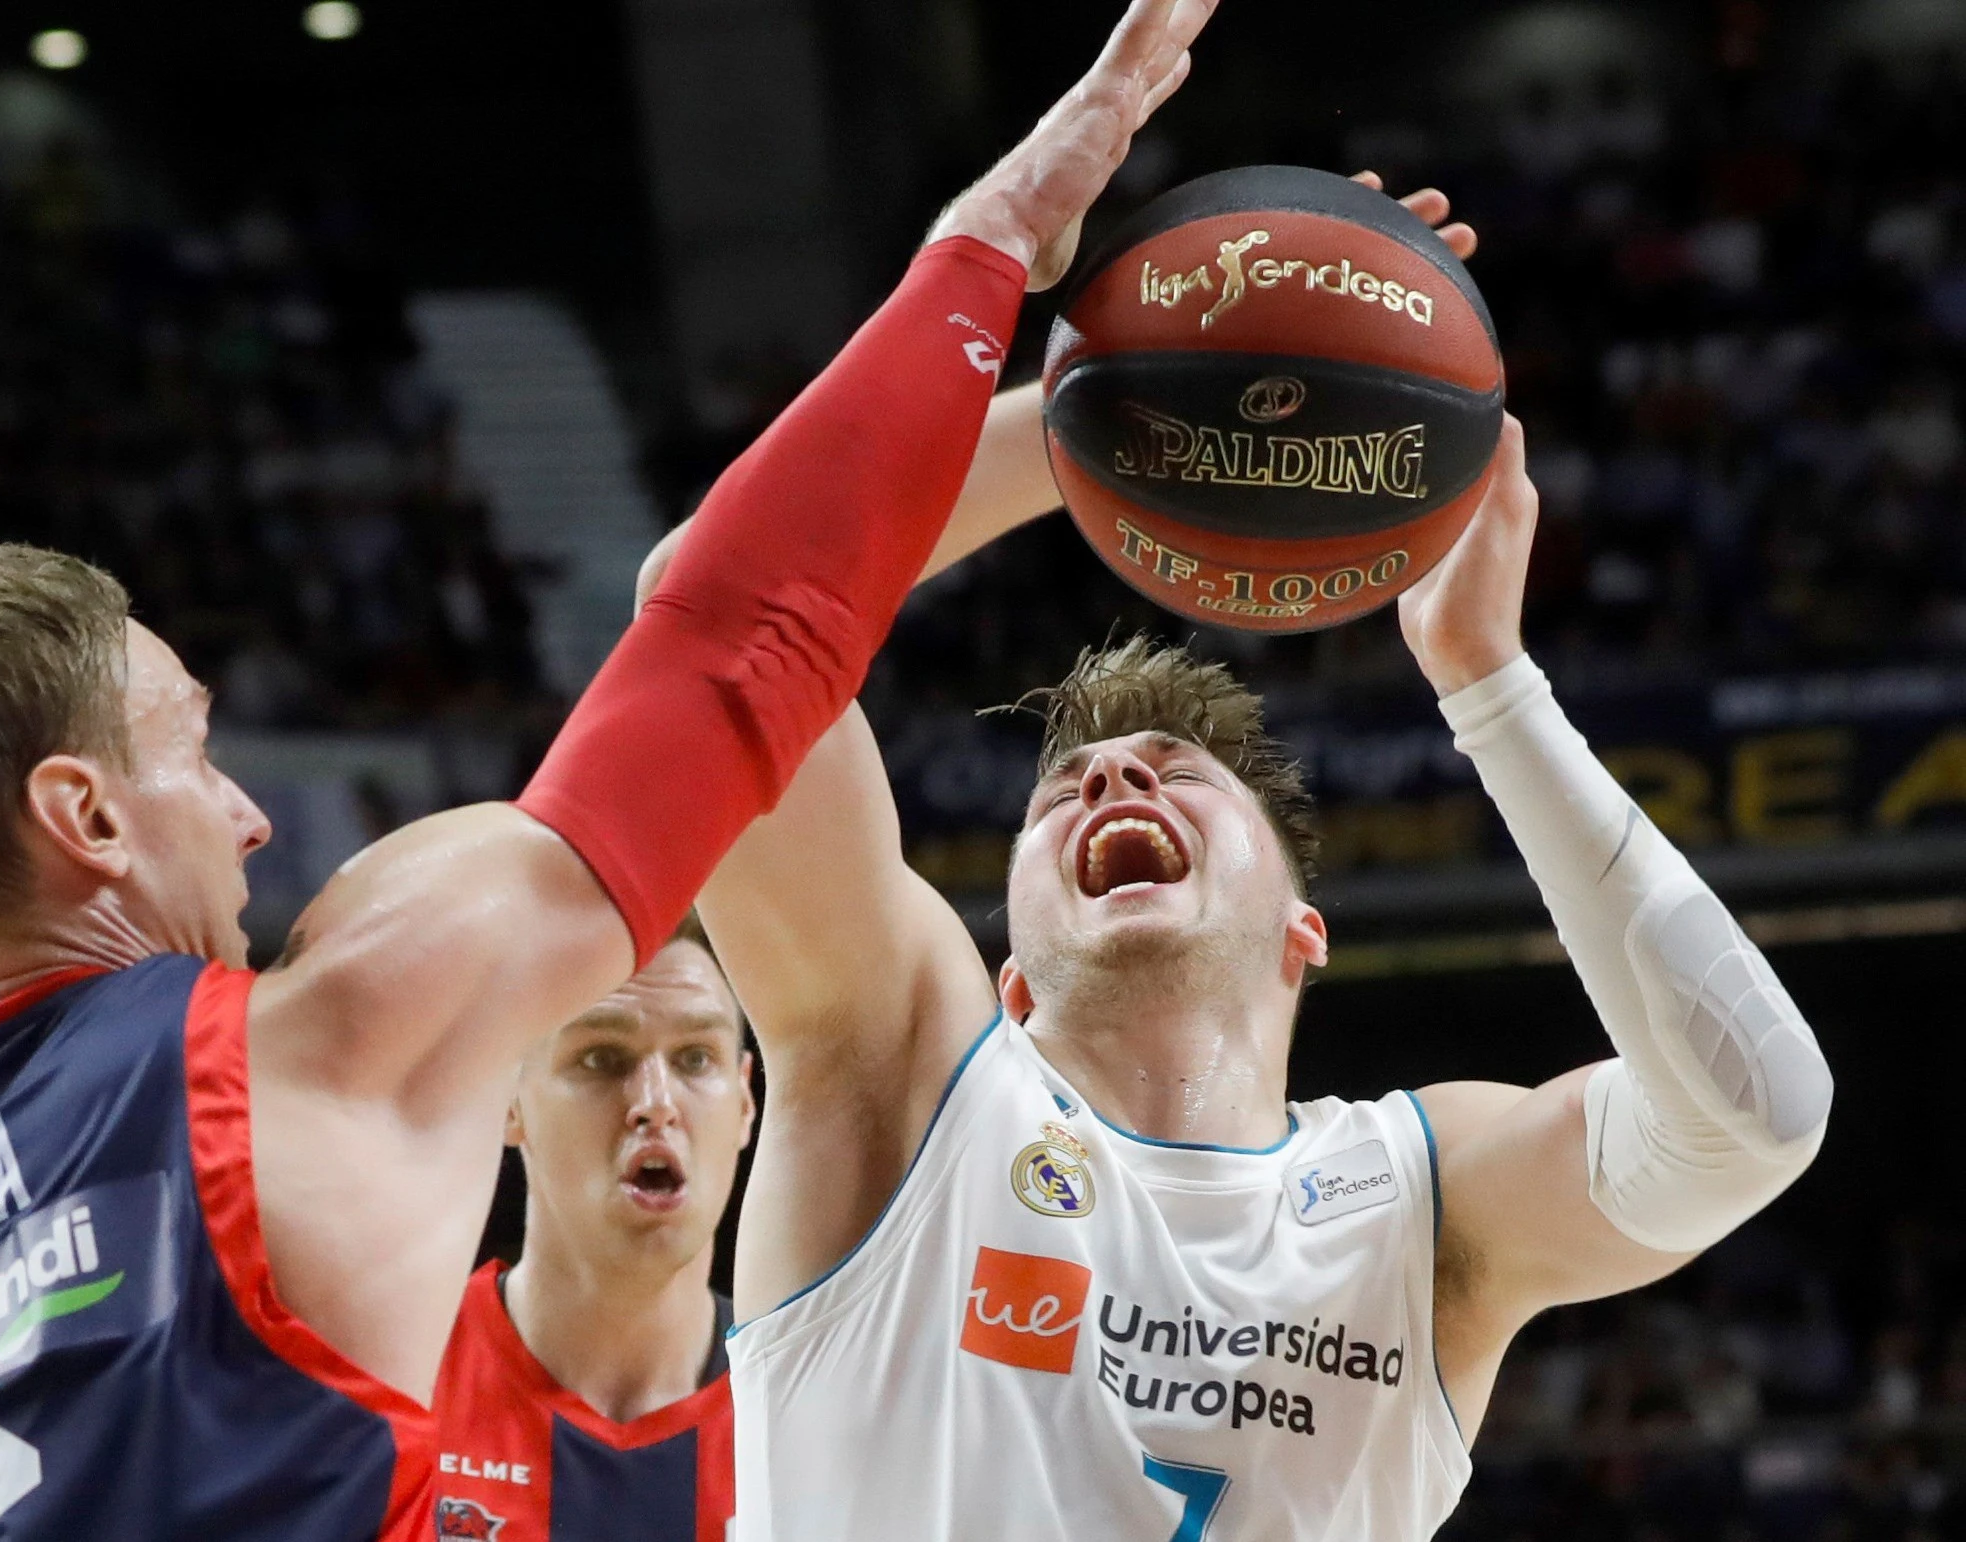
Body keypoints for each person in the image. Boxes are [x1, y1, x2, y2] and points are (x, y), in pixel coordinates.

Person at [0, 2, 1218, 1533]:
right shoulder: (299, 1053)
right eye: (190, 749)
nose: (247, 811)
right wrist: (983, 253)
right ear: (84, 816)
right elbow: (724, 641)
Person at [667, 411, 1834, 1539]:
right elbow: (717, 604)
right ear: (1009, 977)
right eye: (1065, 790)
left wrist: (1491, 683)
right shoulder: (911, 1087)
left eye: (1178, 772)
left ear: (1302, 928)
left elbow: (1753, 1115)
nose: (1115, 782)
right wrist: (1103, 416)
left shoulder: (1421, 1201)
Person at [432, 920, 753, 1542]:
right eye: (602, 1058)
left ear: (744, 1103)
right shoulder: (395, 1384)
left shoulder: (816, 1410)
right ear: (505, 1098)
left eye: (695, 1058)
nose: (656, 1101)